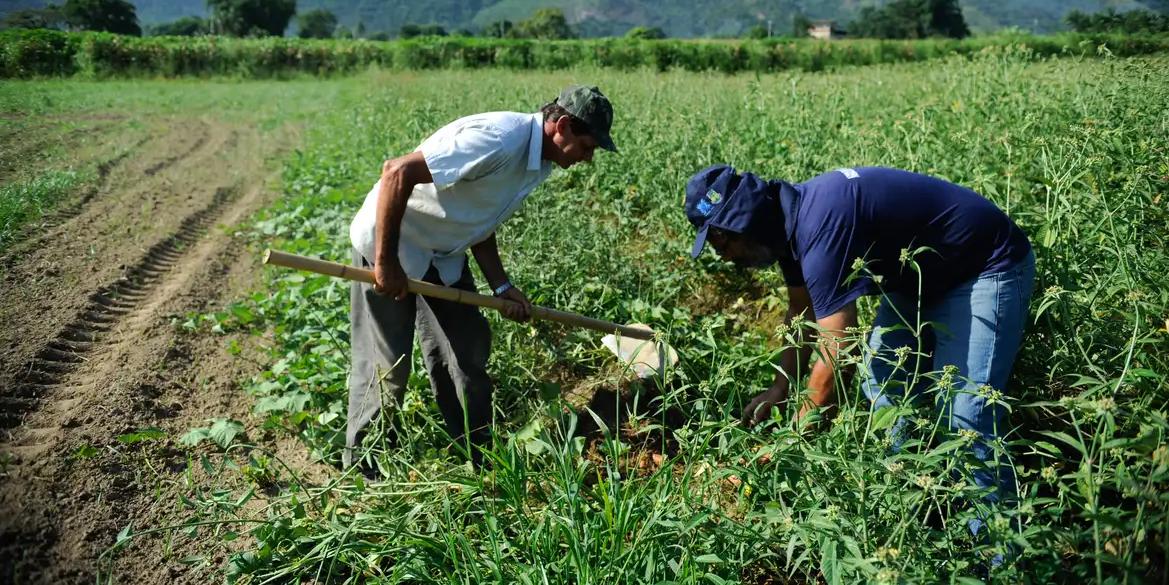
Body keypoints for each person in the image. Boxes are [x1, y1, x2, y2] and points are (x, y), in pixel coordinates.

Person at [684, 164, 1034, 521]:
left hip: (985, 266)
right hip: (917, 279)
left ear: (743, 221)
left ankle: (999, 555)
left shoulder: (821, 225)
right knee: (882, 381)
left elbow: (839, 350)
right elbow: (801, 310)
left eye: (719, 240)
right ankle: (913, 500)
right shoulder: (785, 227)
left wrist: (792, 442)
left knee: (967, 417)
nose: (721, 255)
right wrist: (781, 388)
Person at [345, 85, 617, 469]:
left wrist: (502, 286)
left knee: (466, 352)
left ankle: (477, 455)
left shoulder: (537, 163)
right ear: (565, 126)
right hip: (392, 245)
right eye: (589, 146)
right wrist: (385, 262)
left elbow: (480, 219)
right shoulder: (499, 140)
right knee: (387, 366)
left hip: (443, 254)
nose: (588, 158)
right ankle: (363, 467)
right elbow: (396, 171)